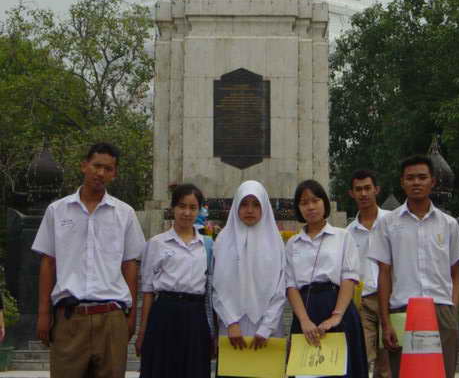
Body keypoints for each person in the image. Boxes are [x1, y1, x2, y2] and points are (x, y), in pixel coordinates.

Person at [32, 142, 146, 378]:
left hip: (111, 317)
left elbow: (130, 265)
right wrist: (43, 313)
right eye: (96, 166)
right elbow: (48, 262)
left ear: (114, 174)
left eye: (108, 169)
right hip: (69, 318)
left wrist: (131, 316)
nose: (101, 173)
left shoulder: (125, 213)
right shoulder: (57, 210)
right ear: (84, 166)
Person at [369, 155, 459, 378]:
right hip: (402, 310)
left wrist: (453, 312)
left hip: (441, 310)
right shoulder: (387, 223)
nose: (416, 182)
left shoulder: (449, 224)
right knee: (404, 373)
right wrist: (386, 322)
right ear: (402, 182)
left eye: (422, 177)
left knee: (443, 373)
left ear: (433, 181)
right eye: (410, 178)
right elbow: (383, 274)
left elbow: (455, 274)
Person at [286, 179, 369, 378]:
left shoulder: (342, 236)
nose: (310, 207)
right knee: (307, 371)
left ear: (324, 202)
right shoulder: (292, 243)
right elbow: (290, 285)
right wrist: (304, 320)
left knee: (340, 370)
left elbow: (349, 277)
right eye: (304, 203)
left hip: (337, 307)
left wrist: (336, 316)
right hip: (305, 311)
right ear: (298, 208)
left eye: (315, 200)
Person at [136, 183, 214, 378]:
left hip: (195, 316)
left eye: (193, 207)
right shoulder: (157, 243)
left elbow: (212, 290)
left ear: (200, 210)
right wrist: (142, 331)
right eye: (182, 206)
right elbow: (148, 291)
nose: (187, 213)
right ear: (173, 208)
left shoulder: (207, 246)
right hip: (164, 314)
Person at [212, 180, 285, 368]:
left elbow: (281, 287)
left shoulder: (275, 242)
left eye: (256, 204)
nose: (249, 210)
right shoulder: (223, 240)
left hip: (268, 331)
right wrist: (231, 323)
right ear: (236, 206)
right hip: (232, 330)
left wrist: (266, 327)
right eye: (244, 204)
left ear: (264, 207)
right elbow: (216, 286)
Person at [346, 169, 391, 378]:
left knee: (388, 364)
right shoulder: (347, 233)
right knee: (361, 358)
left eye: (367, 188)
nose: (363, 194)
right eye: (358, 189)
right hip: (362, 303)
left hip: (391, 300)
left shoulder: (392, 222)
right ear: (351, 193)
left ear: (376, 190)